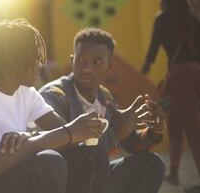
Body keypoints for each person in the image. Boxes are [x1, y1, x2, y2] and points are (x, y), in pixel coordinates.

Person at [0, 19, 132, 193]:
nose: (41, 64)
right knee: (49, 163)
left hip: (21, 176)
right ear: (16, 60)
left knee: (91, 156)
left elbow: (68, 138)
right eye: (36, 56)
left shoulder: (26, 94)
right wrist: (66, 133)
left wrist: (32, 137)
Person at [40, 28, 166, 193]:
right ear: (72, 61)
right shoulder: (54, 95)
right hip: (62, 181)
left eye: (96, 61)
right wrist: (116, 134)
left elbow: (130, 143)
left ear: (110, 65)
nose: (86, 68)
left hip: (95, 179)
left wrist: (154, 132)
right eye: (80, 60)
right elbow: (64, 147)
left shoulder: (104, 97)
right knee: (93, 156)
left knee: (152, 164)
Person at [141, 0, 200, 189]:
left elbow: (153, 48)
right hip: (195, 72)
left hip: (180, 75)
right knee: (175, 123)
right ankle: (174, 173)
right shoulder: (192, 20)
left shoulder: (162, 19)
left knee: (193, 130)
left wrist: (146, 67)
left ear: (164, 2)